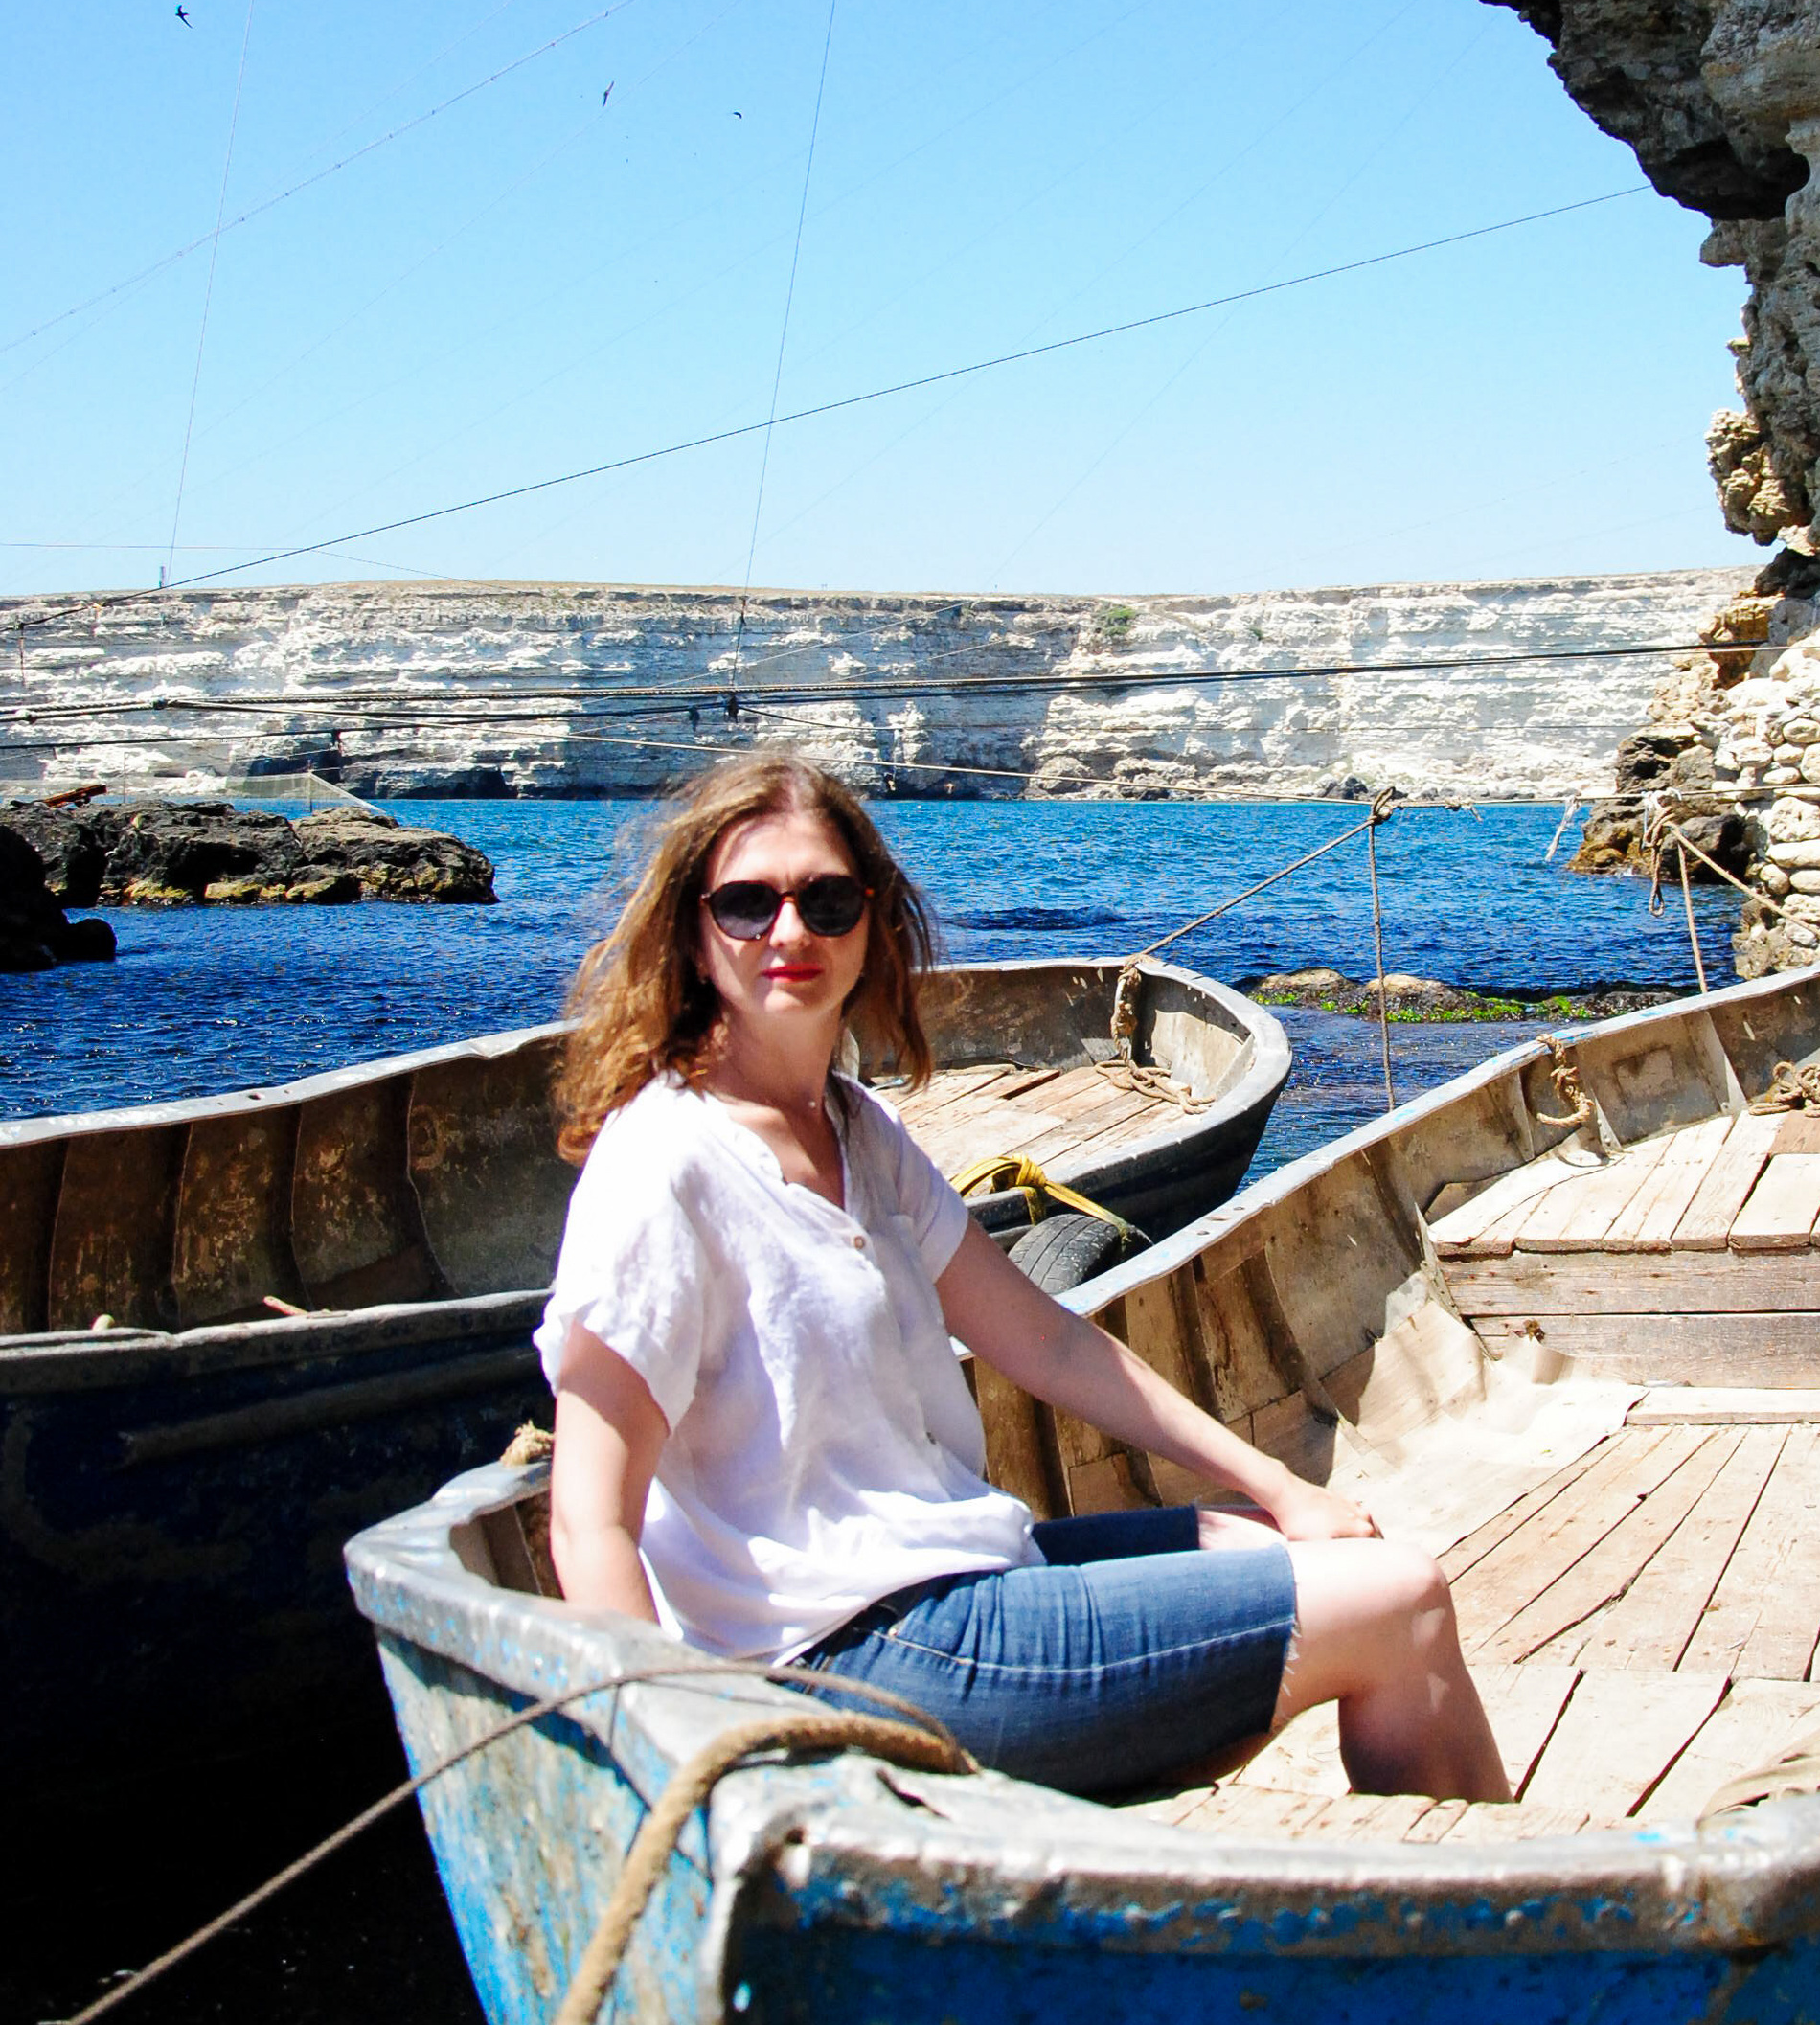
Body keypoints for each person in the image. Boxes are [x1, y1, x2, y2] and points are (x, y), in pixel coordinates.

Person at [539, 752, 1508, 1805]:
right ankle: (1501, 1952)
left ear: (873, 921)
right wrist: (674, 1756)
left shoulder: (862, 1133)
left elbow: (1044, 1340)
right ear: (691, 928)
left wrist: (1280, 1486)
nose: (789, 934)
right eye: (745, 902)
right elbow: (589, 1518)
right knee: (1399, 1600)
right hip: (839, 1653)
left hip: (949, 1576)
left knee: (1261, 1533)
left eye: (825, 900)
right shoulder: (663, 1164)